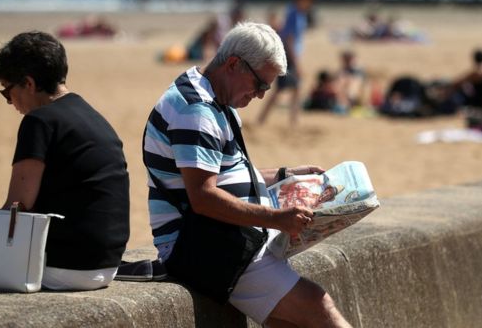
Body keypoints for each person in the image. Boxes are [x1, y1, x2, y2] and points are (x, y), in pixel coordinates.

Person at [143, 22, 352, 327]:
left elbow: (227, 173)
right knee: (317, 305)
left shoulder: (215, 96)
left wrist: (285, 174)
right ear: (233, 64)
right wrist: (276, 219)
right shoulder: (195, 112)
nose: (261, 95)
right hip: (199, 243)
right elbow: (203, 197)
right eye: (260, 85)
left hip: (225, 234)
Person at [0, 31, 130, 290]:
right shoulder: (93, 117)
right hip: (107, 264)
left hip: (65, 266)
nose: (10, 102)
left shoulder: (38, 121)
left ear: (28, 84)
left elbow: (18, 206)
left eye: (7, 92)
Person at [257, 0, 316, 126]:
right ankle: (262, 119)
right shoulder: (294, 13)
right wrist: (296, 62)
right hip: (289, 55)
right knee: (281, 88)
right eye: (309, 1)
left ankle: (293, 120)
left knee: (295, 88)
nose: (310, 4)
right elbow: (289, 38)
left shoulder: (297, 12)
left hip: (291, 54)